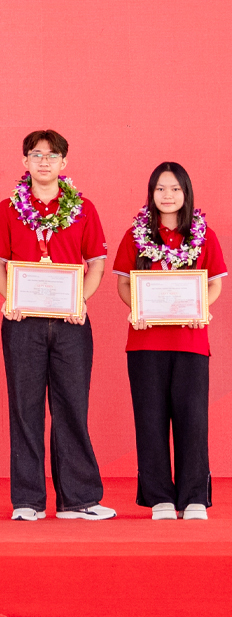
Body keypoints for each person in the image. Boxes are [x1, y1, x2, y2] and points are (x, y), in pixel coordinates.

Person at [0, 129, 115, 521]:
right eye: (37, 154)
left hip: (71, 322)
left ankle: (79, 499)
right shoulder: (8, 209)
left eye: (52, 155)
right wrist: (10, 298)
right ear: (25, 161)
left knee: (72, 407)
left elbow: (97, 264)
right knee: (24, 410)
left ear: (64, 162)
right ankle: (28, 500)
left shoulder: (83, 208)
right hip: (22, 322)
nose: (44, 161)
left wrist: (81, 300)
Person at [113, 162, 224, 520]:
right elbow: (124, 283)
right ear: (151, 193)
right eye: (160, 188)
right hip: (145, 343)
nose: (168, 195)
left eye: (175, 188)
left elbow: (215, 283)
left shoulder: (205, 235)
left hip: (191, 341)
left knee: (193, 420)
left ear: (186, 193)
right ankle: (159, 495)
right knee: (150, 419)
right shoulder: (135, 235)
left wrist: (200, 307)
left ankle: (193, 497)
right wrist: (138, 306)